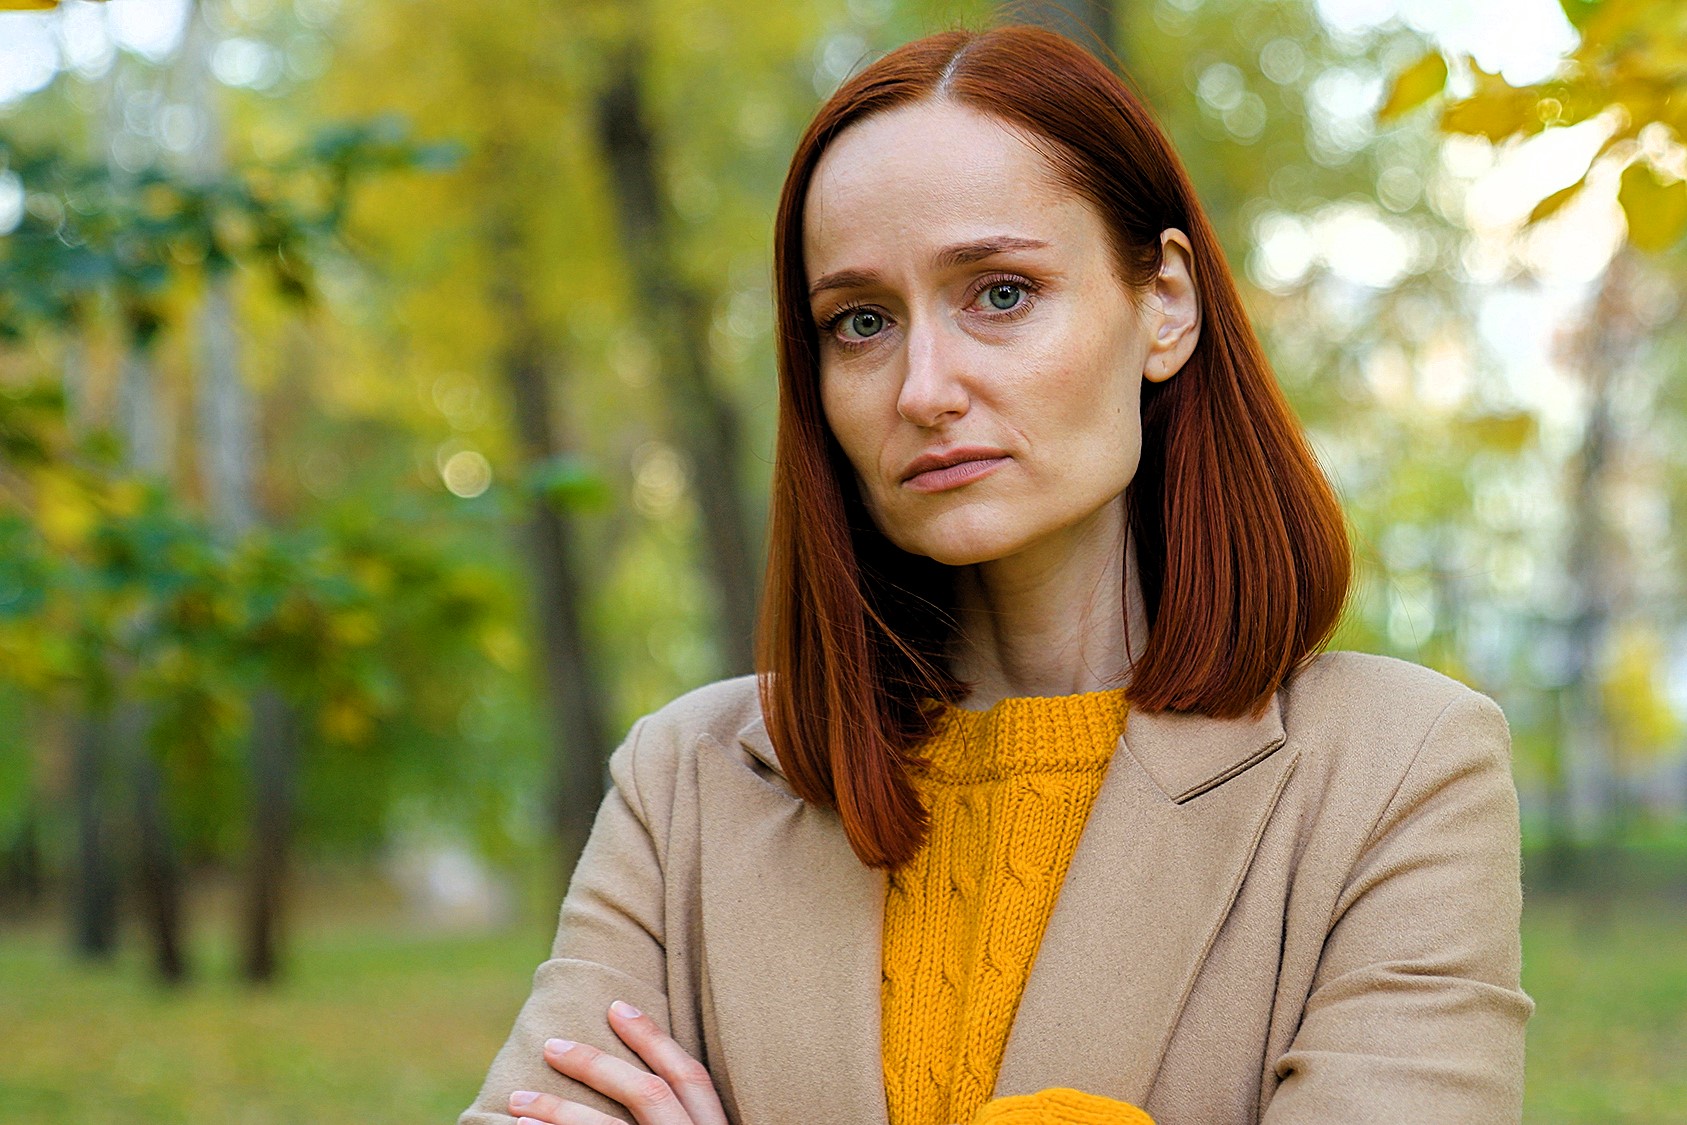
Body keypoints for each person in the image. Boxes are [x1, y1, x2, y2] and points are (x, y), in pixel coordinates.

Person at [459, 23, 1532, 1125]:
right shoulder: (685, 782)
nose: (924, 387)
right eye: (861, 321)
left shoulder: (1399, 769)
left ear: (1163, 301)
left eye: (1000, 293)